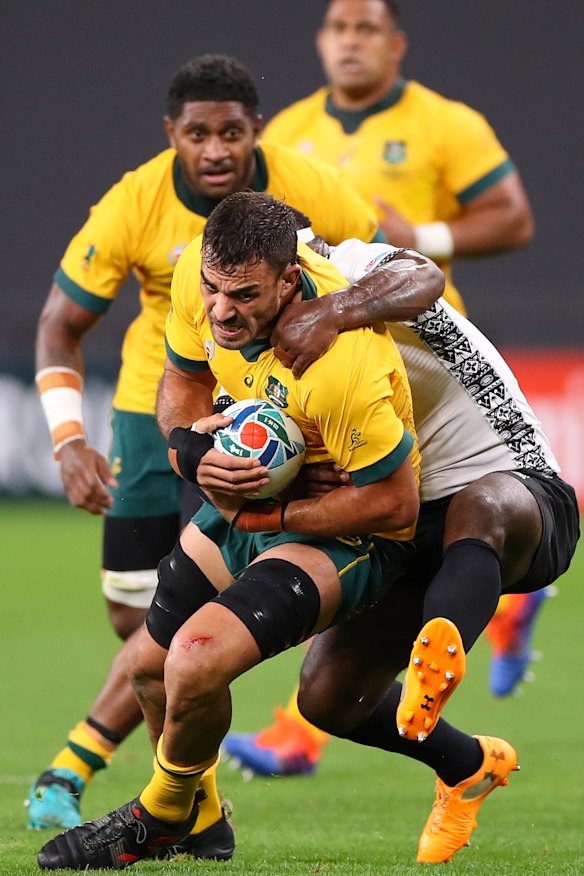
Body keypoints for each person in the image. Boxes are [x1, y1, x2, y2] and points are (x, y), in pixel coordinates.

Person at [29, 52, 389, 849]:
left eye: (233, 132)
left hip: (272, 412)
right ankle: (189, 798)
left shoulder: (314, 185)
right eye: (199, 133)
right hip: (154, 407)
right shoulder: (135, 201)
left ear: (257, 132)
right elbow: (60, 324)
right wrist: (67, 437)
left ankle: (96, 772)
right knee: (133, 614)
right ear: (173, 136)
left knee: (187, 614)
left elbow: (387, 278)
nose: (217, 148)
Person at [227, 0, 540, 774]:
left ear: (396, 45)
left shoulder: (447, 124)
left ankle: (480, 610)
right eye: (339, 27)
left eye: (368, 27)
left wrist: (409, 243)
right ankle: (440, 745)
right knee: (329, 684)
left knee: (470, 507)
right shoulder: (287, 135)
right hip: (334, 367)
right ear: (321, 42)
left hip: (407, 345)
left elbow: (502, 225)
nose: (352, 41)